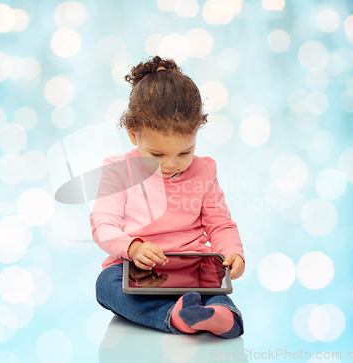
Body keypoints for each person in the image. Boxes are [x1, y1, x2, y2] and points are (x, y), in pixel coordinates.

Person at [91, 55, 245, 339]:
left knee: (213, 291)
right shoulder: (118, 171)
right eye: (158, 155)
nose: (172, 164)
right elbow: (103, 225)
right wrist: (133, 248)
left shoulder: (205, 170)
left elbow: (220, 224)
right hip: (136, 270)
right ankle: (176, 315)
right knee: (106, 284)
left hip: (192, 270)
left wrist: (233, 253)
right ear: (133, 133)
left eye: (185, 152)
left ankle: (221, 316)